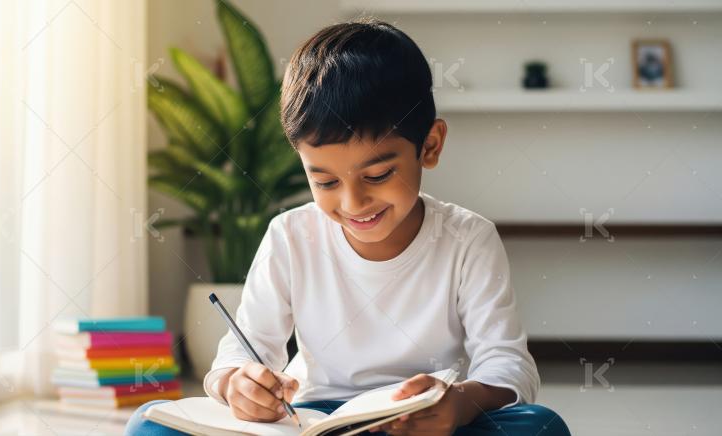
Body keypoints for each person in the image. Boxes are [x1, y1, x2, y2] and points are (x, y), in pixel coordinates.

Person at [127, 17, 570, 436]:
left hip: (425, 419)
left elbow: (508, 365)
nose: (352, 203)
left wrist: (457, 405)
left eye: (377, 176)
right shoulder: (289, 237)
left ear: (429, 146)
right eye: (324, 180)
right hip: (316, 417)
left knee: (541, 425)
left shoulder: (468, 239)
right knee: (150, 421)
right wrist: (235, 384)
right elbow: (243, 352)